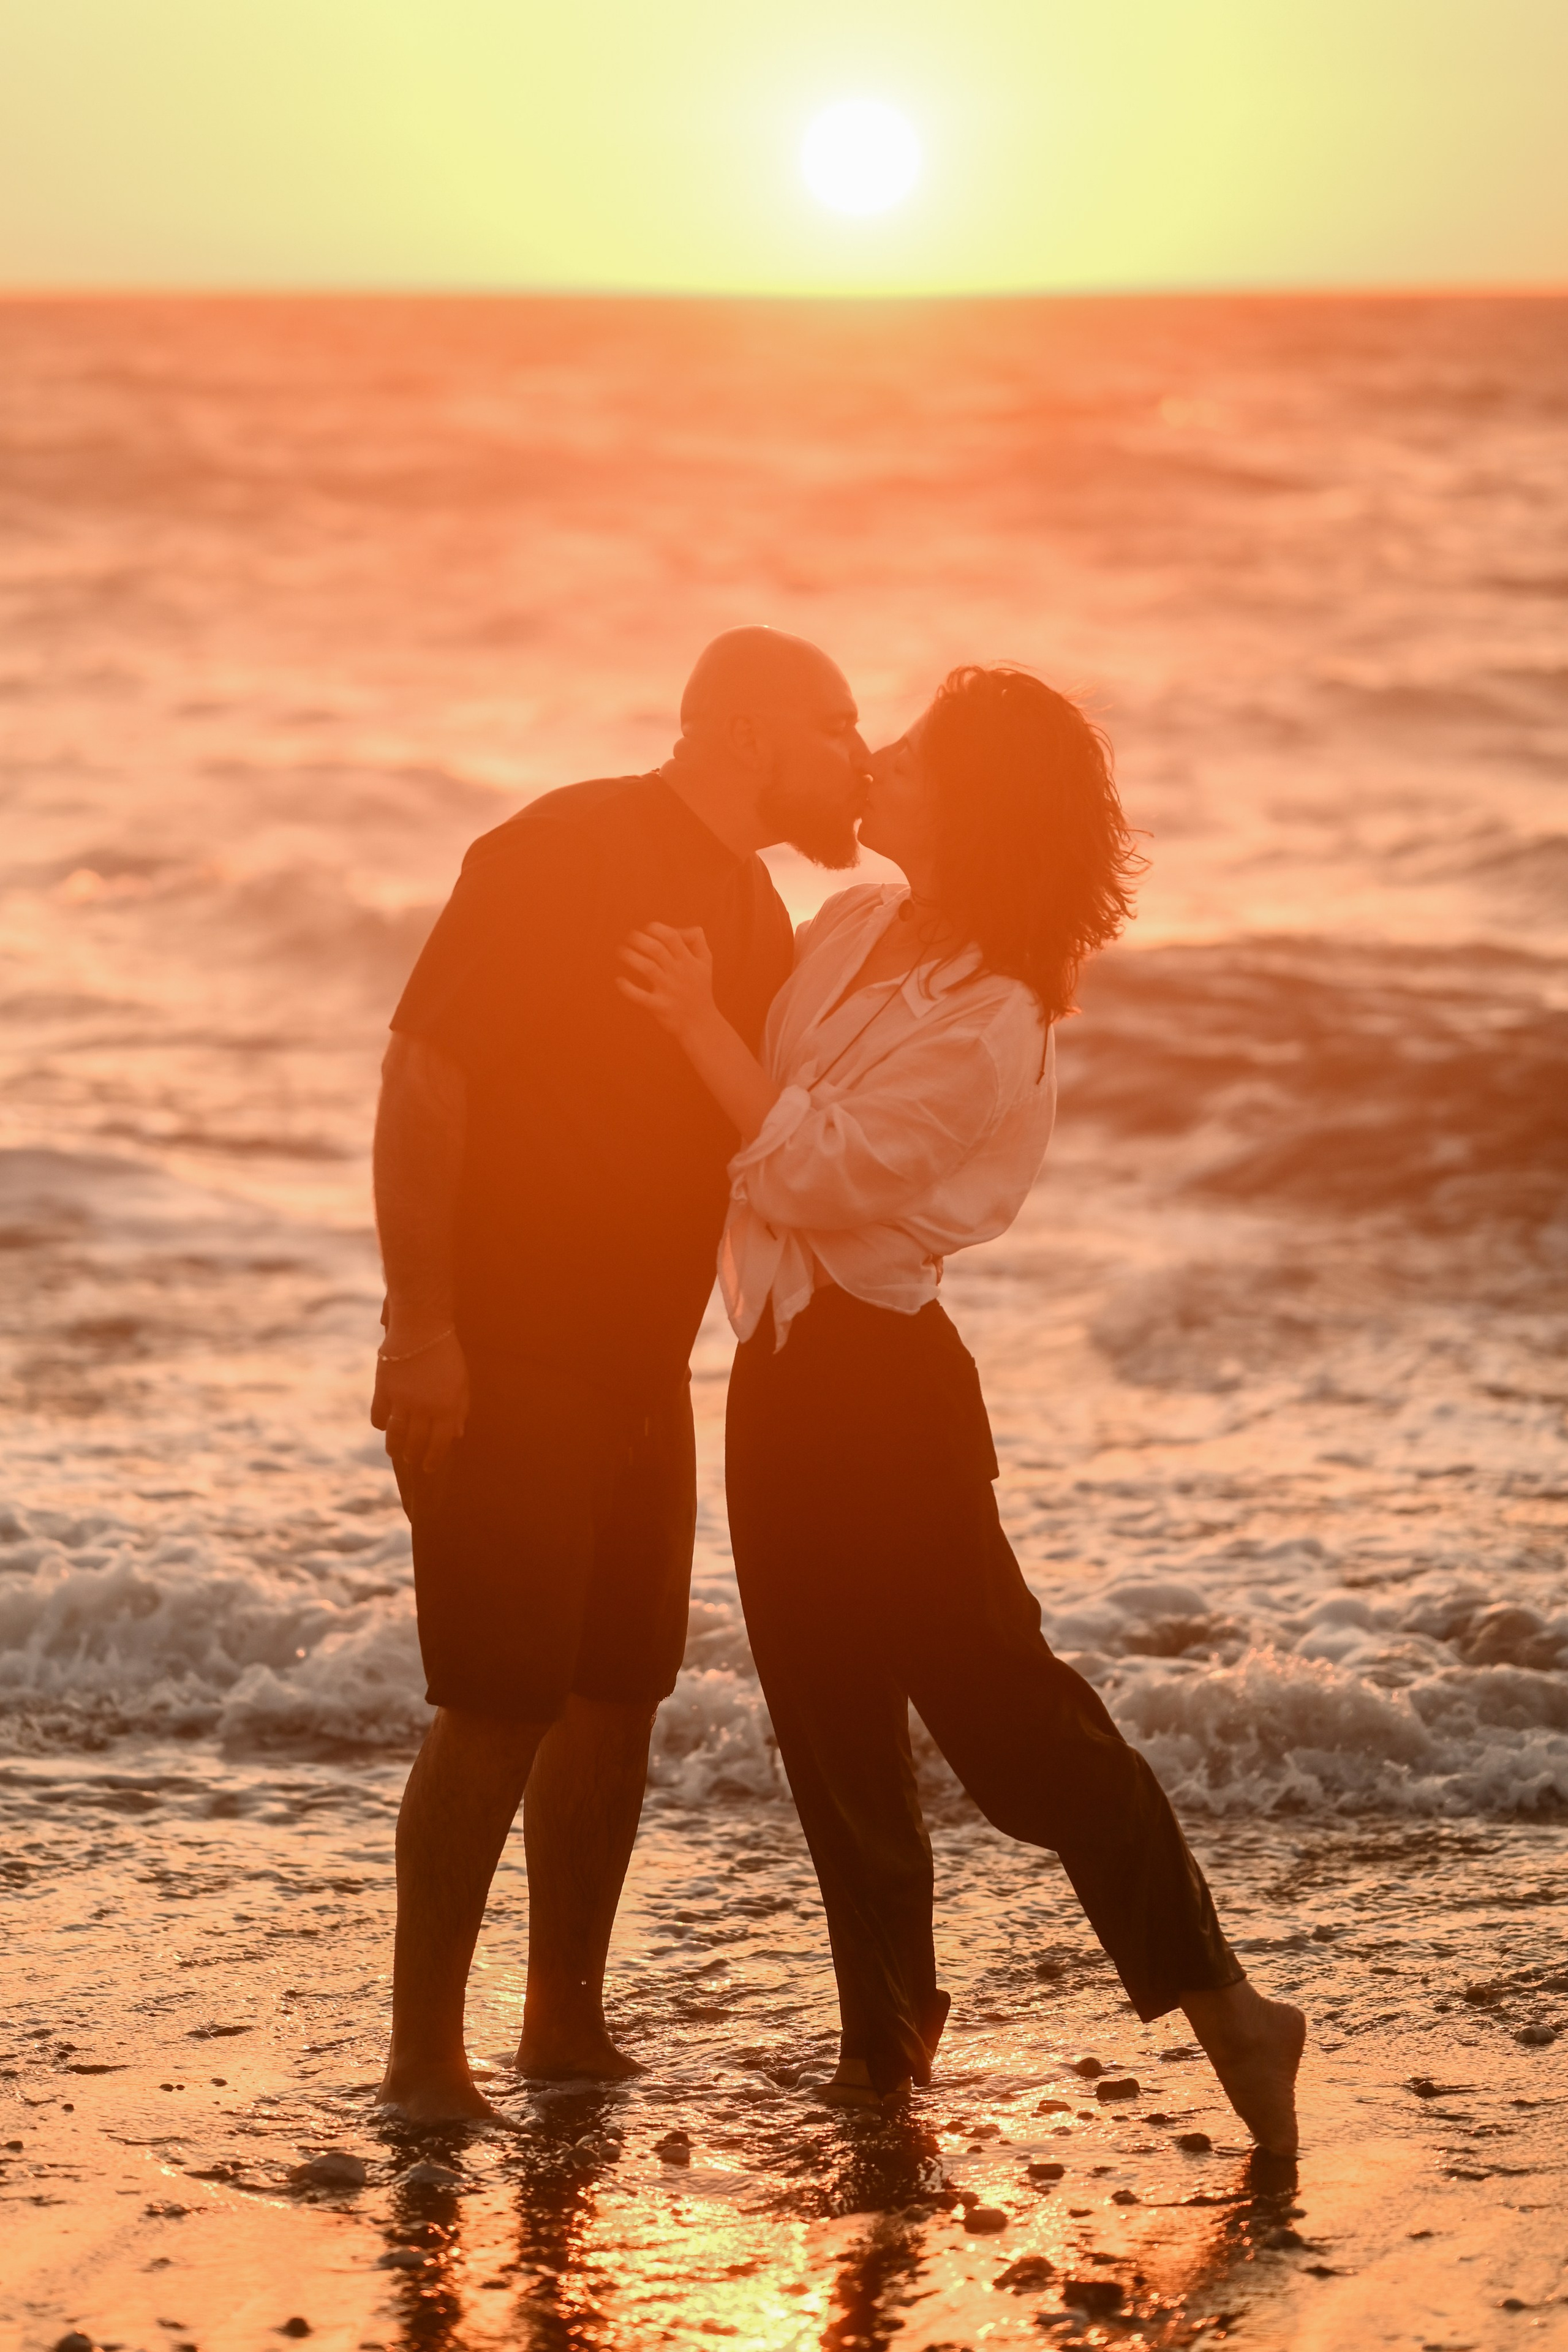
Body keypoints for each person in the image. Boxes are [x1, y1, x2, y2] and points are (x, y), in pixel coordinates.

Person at [617, 663, 1307, 2155]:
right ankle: (884, 2053)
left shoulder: (995, 1017)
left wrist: (689, 1026)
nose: (878, 758)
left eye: (916, 753)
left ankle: (1230, 2008)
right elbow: (758, 1099)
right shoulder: (855, 925)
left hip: (889, 1393)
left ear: (976, 807)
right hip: (781, 1373)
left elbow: (814, 1171)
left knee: (1010, 1729)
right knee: (827, 1732)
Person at [371, 626, 870, 2122]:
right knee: (494, 1703)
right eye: (837, 726)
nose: (855, 756)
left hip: (649, 1372)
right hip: (506, 1353)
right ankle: (422, 2057)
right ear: (747, 732)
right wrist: (420, 1329)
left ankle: (562, 2026)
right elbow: (424, 1074)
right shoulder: (563, 845)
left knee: (615, 1700)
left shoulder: (755, 908)